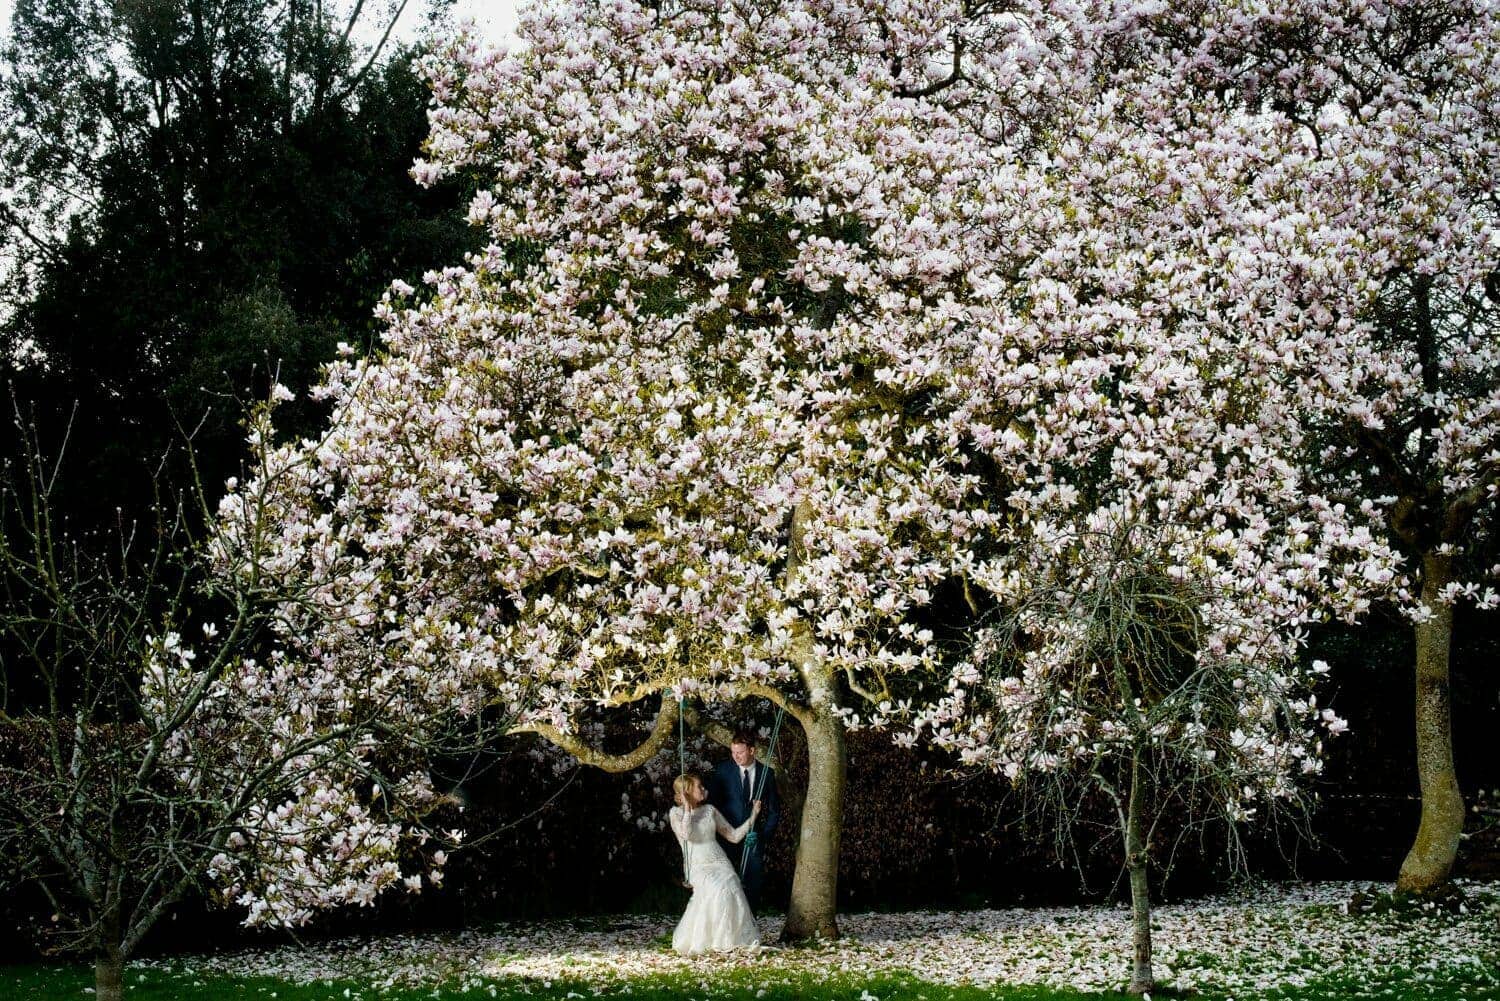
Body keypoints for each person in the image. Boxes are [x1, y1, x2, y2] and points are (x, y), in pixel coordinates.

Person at [667, 772, 761, 955]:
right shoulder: (676, 814)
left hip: (720, 861)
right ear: (687, 792)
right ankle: (710, 939)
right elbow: (686, 835)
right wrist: (687, 808)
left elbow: (733, 836)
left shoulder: (710, 810)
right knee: (716, 889)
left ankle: (731, 939)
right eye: (699, 787)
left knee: (731, 886)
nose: (704, 789)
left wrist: (753, 816)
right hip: (698, 865)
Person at [706, 729, 779, 910]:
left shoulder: (767, 773)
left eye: (740, 752)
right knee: (726, 883)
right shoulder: (723, 771)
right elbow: (712, 805)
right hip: (727, 837)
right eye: (733, 752)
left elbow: (774, 810)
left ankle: (750, 926)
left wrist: (763, 836)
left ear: (752, 751)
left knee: (753, 884)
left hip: (753, 839)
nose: (735, 757)